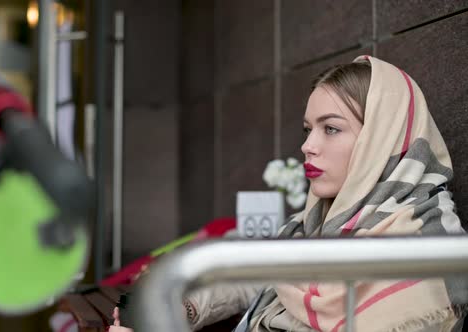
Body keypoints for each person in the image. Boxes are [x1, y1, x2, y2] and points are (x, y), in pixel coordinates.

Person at [109, 56, 467, 331]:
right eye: (309, 129)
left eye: (331, 128)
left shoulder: (429, 254)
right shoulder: (320, 223)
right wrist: (176, 307)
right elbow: (254, 277)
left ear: (382, 139)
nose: (308, 146)